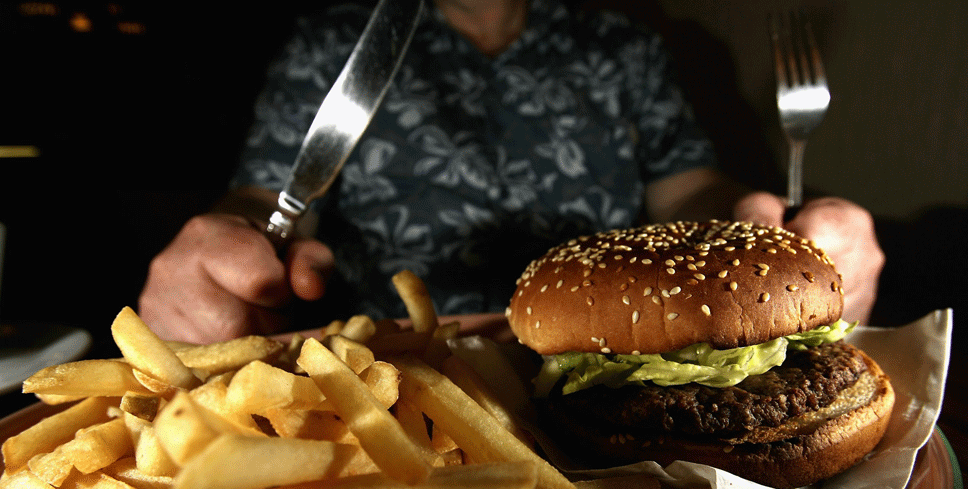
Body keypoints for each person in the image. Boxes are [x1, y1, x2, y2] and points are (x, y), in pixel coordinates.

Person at [138, 0, 884, 344]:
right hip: (393, 371)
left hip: (602, 367)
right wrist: (226, 246)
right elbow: (268, 194)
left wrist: (773, 232)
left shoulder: (623, 46)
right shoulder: (335, 40)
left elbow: (690, 189)